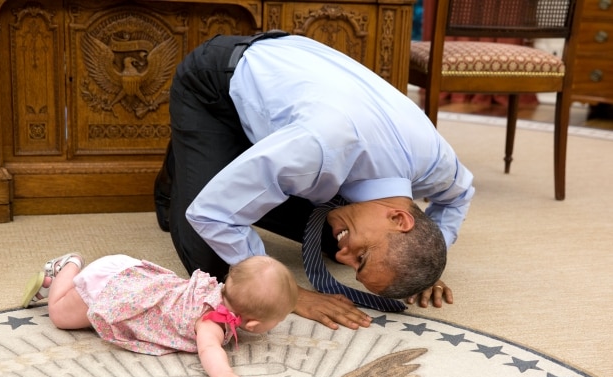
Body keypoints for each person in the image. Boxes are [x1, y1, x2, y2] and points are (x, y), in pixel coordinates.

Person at [154, 31, 475, 331]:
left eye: (355, 265)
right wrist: (289, 293)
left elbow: (459, 196)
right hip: (215, 85)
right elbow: (211, 213)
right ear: (399, 218)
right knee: (217, 266)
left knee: (327, 234)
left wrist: (425, 264)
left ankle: (227, 161)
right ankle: (190, 154)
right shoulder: (321, 148)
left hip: (295, 105)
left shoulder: (436, 163)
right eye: (360, 258)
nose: (341, 259)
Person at [21, 252, 298, 377]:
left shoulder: (216, 290)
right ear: (252, 323)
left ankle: (69, 277)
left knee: (65, 312)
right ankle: (67, 267)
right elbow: (209, 350)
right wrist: (224, 375)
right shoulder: (211, 320)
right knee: (58, 315)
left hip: (132, 274)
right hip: (112, 289)